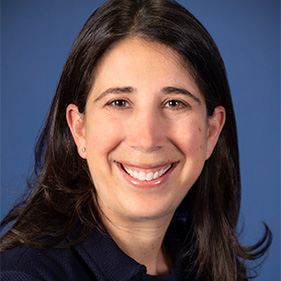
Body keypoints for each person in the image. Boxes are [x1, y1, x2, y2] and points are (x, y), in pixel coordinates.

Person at [0, 0, 272, 280]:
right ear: (79, 128)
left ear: (212, 131)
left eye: (174, 103)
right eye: (119, 102)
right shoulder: (22, 275)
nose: (147, 139)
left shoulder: (213, 270)